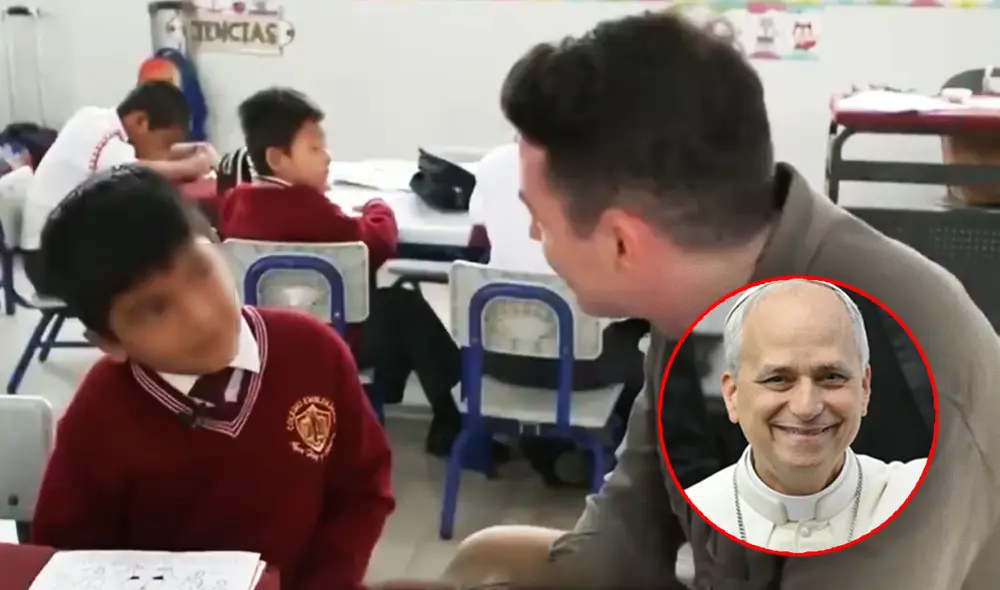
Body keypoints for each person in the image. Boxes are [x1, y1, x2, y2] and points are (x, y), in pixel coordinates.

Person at [381, 9, 1000, 590]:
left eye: (538, 219)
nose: (536, 238)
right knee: (481, 559)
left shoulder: (891, 388)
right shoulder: (706, 293)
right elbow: (623, 545)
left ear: (622, 242)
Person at [30, 167, 394, 590]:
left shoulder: (314, 351)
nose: (202, 317)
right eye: (154, 309)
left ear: (221, 249)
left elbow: (361, 488)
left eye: (201, 271)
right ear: (109, 342)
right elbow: (67, 559)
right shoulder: (101, 414)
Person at [219, 87, 470, 458]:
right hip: (330, 335)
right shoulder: (311, 208)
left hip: (265, 339)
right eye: (314, 149)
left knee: (393, 308)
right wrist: (378, 207)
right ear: (277, 158)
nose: (328, 157)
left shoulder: (236, 202)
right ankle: (449, 415)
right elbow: (376, 243)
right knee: (406, 307)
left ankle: (391, 393)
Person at [685, 279, 926, 553]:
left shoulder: (927, 498)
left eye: (831, 377)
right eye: (777, 379)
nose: (806, 407)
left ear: (864, 388)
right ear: (732, 395)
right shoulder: (685, 521)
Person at [20, 81, 214, 295]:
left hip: (61, 253)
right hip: (49, 264)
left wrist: (191, 150)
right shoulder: (102, 134)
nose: (166, 151)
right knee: (156, 258)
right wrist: (194, 165)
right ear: (141, 121)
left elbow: (143, 158)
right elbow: (134, 168)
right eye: (166, 142)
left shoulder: (96, 120)